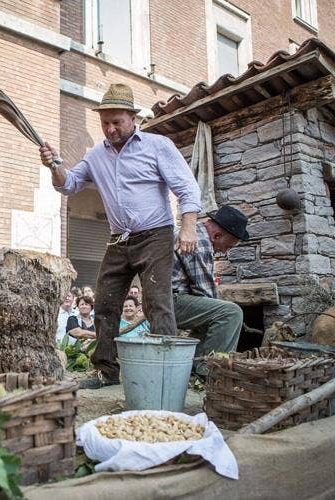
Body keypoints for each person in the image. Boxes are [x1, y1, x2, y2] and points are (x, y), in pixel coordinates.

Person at [40, 83, 202, 385]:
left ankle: (166, 372)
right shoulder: (95, 156)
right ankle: (106, 371)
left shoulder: (157, 145)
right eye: (105, 123)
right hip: (118, 239)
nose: (111, 129)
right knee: (104, 304)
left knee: (156, 303)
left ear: (132, 118)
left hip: (156, 235)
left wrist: (188, 227)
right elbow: (69, 184)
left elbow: (186, 187)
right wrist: (54, 165)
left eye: (117, 122)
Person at [173, 205, 247, 377]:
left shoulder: (196, 234)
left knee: (215, 313)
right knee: (231, 313)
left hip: (167, 299)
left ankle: (192, 367)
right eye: (227, 247)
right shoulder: (201, 242)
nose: (223, 251)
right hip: (170, 301)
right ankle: (210, 372)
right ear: (217, 235)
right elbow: (205, 292)